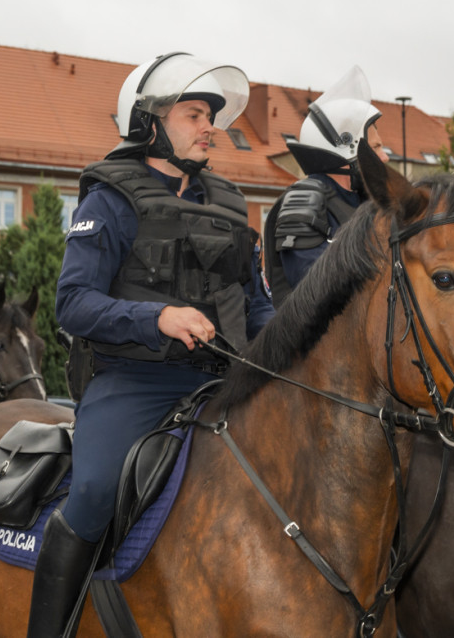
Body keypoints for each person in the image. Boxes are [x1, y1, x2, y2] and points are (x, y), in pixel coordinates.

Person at [28, 52, 274, 637]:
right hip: (134, 382)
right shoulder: (110, 198)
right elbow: (73, 304)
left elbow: (258, 305)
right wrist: (156, 316)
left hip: (224, 381)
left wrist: (289, 350)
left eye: (211, 116)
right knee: (90, 492)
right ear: (148, 123)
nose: (209, 126)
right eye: (194, 114)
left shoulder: (231, 204)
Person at [262, 65, 389, 307]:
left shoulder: (369, 204)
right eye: (375, 148)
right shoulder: (305, 202)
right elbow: (314, 289)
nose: (385, 158)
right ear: (345, 150)